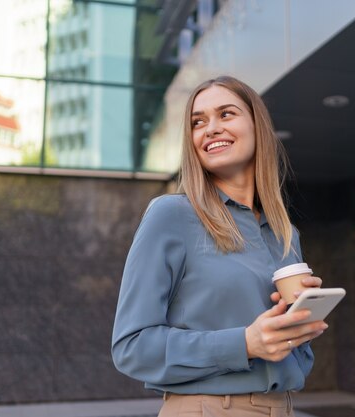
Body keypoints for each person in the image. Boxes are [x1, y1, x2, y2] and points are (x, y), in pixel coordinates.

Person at [111, 75, 328, 416]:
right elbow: (131, 347)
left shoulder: (285, 233)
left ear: (257, 126)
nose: (210, 128)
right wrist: (243, 344)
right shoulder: (171, 215)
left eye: (226, 114)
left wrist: (299, 318)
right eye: (198, 122)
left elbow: (288, 350)